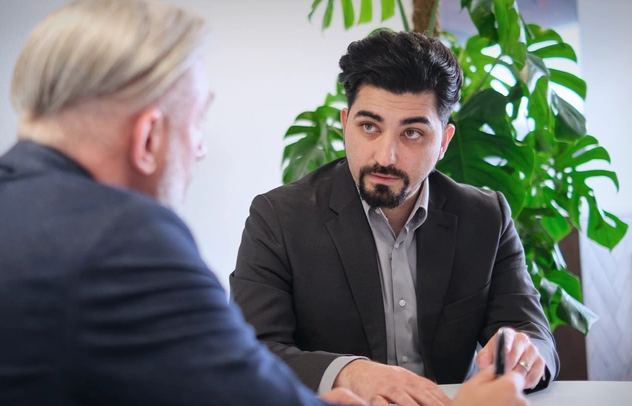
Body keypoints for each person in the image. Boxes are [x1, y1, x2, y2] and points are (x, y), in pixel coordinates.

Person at [0, 1, 529, 406]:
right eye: (197, 122)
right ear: (149, 139)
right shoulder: (127, 241)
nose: (202, 147)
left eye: (412, 132)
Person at [230, 30, 559, 406]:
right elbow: (251, 351)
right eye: (369, 126)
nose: (386, 155)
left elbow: (532, 332)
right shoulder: (278, 218)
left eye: (413, 133)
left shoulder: (485, 217)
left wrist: (525, 352)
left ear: (444, 142)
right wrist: (350, 373)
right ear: (345, 123)